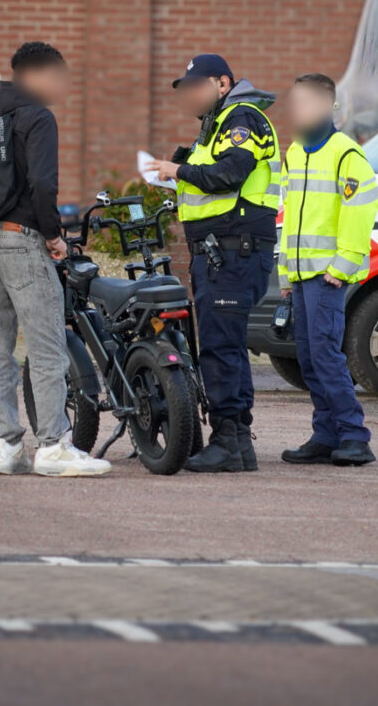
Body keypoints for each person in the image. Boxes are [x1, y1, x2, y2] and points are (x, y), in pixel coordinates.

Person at [0, 42, 111, 478]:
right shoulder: (37, 117)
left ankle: (5, 447)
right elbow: (43, 184)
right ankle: (53, 446)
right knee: (47, 344)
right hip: (21, 238)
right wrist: (54, 237)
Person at [143, 54, 280, 473]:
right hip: (223, 253)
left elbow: (232, 173)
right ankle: (237, 444)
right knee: (226, 349)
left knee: (222, 350)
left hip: (233, 252)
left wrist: (177, 169)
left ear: (222, 83)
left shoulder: (241, 117)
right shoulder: (216, 126)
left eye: (197, 86)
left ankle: (228, 442)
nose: (190, 95)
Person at [277, 73, 378, 466]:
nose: (296, 111)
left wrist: (343, 265)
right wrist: (286, 274)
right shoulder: (296, 152)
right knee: (308, 358)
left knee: (324, 355)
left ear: (326, 105)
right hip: (303, 276)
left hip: (327, 276)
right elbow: (290, 218)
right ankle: (325, 435)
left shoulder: (346, 153)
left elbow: (362, 209)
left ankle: (355, 436)